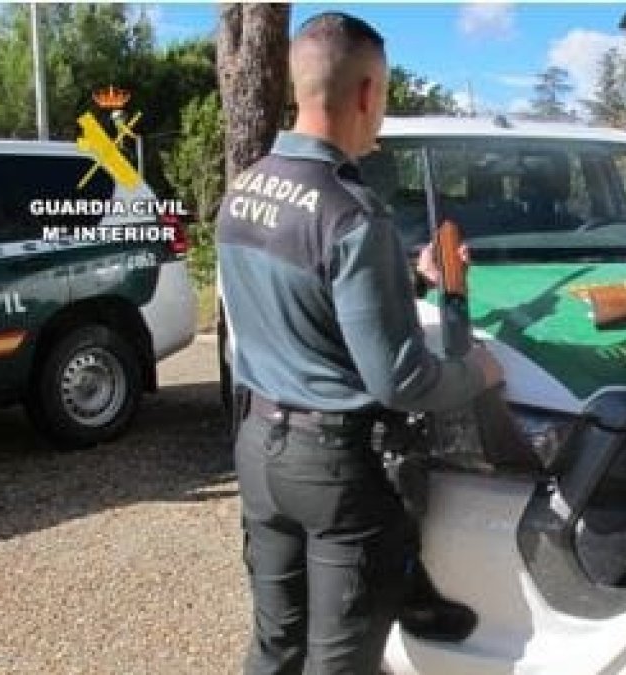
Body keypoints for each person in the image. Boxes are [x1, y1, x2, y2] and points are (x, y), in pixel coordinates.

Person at [216, 12, 502, 674]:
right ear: (368, 92)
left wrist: (402, 270)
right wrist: (477, 369)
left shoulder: (243, 188)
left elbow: (301, 282)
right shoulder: (354, 213)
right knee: (339, 661)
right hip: (334, 470)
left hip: (259, 451)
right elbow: (400, 379)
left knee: (273, 646)